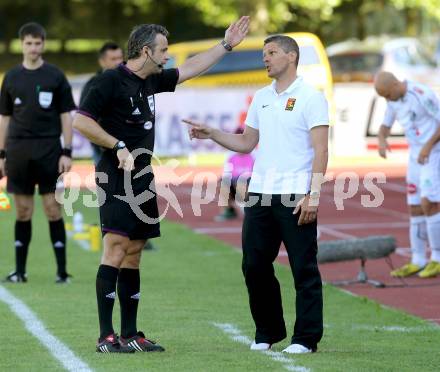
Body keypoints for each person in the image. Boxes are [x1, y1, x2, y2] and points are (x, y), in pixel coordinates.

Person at [72, 17, 250, 353]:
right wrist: (117, 145)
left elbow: (191, 68)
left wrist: (226, 44)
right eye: (164, 50)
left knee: (136, 253)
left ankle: (130, 334)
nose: (168, 56)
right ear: (145, 51)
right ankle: (105, 336)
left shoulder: (150, 80)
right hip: (114, 177)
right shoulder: (109, 81)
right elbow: (81, 121)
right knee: (115, 248)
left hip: (142, 178)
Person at [184, 34, 329, 354]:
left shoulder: (311, 97)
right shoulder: (262, 96)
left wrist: (313, 194)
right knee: (254, 265)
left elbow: (321, 149)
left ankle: (305, 338)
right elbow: (246, 143)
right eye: (265, 53)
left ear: (291, 57)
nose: (265, 58)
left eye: (272, 53)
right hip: (261, 194)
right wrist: (212, 134)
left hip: (294, 194)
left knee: (303, 268)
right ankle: (268, 330)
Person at [0, 22, 76, 284]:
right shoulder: (11, 78)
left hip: (49, 150)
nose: (33, 47)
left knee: (53, 209)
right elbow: (4, 118)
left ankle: (62, 272)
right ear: (22, 44)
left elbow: (67, 116)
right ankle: (19, 272)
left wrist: (67, 151)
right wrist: (1, 154)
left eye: (38, 43)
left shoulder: (55, 76)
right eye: (29, 43)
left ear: (43, 44)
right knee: (22, 211)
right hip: (18, 150)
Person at [375, 71, 440, 278]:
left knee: (428, 202)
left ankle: (437, 259)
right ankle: (418, 260)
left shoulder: (422, 94)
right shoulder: (393, 101)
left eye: (386, 94)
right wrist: (382, 139)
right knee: (414, 207)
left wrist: (428, 147)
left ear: (395, 85)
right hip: (415, 158)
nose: (386, 99)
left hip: (433, 155)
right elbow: (385, 125)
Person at [79, 42, 124, 165]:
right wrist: (99, 141)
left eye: (120, 58)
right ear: (102, 61)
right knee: (106, 182)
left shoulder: (130, 81)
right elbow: (84, 117)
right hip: (103, 146)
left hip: (128, 143)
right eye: (113, 59)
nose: (118, 62)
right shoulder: (93, 84)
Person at [215, 126, 254, 221]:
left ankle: (250, 209)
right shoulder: (230, 156)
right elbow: (226, 174)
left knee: (242, 183)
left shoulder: (254, 155)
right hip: (235, 184)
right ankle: (229, 210)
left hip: (251, 187)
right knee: (222, 183)